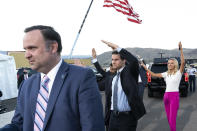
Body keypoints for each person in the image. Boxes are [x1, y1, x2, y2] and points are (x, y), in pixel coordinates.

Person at [0, 25, 105, 131]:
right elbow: (18, 124)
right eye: (25, 49)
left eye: (32, 48)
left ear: (53, 47)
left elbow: (92, 127)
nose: (26, 55)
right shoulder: (27, 85)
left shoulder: (81, 78)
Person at [101, 40, 146, 131]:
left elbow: (133, 61)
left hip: (127, 118)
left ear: (124, 60)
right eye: (112, 59)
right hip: (113, 117)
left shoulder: (129, 73)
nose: (113, 62)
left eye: (116, 59)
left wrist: (117, 47)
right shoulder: (113, 77)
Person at [141, 42, 185, 131]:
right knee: (169, 119)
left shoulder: (178, 73)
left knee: (172, 119)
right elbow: (153, 74)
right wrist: (146, 68)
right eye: (168, 63)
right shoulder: (165, 74)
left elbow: (183, 62)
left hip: (174, 96)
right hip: (166, 97)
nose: (169, 64)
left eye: (172, 63)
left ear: (175, 64)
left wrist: (181, 50)